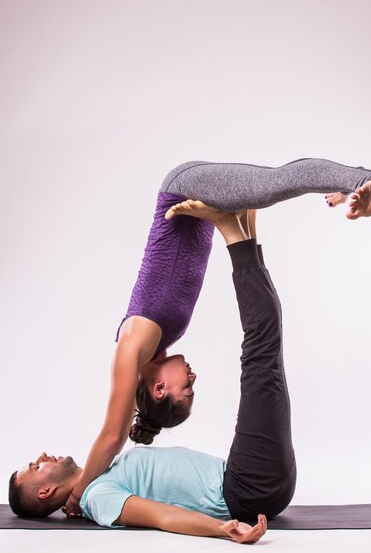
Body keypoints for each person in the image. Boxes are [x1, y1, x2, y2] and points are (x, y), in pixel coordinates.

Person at [62, 159, 371, 516]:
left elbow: (113, 436)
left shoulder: (132, 345)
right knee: (268, 190)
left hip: (182, 188)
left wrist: (79, 493)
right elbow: (135, 409)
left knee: (273, 184)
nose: (193, 378)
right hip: (203, 204)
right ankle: (355, 182)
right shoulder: (157, 347)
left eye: (185, 389)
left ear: (158, 389)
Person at [9, 207, 297, 543]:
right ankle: (236, 235)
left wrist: (141, 377)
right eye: (35, 467)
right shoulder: (96, 498)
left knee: (266, 352)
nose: (42, 456)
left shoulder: (99, 473)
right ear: (45, 492)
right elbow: (162, 516)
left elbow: (130, 415)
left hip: (254, 484)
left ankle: (243, 229)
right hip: (245, 488)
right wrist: (223, 529)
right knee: (262, 352)